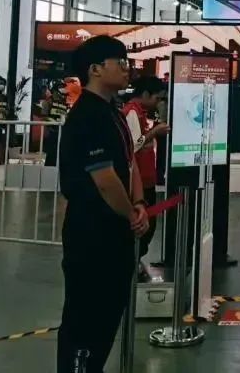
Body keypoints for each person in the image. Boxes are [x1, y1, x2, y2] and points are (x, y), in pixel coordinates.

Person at [57, 36, 149, 373]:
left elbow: (129, 161)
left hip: (115, 232)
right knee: (86, 322)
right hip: (91, 232)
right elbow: (105, 179)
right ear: (95, 69)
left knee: (107, 317)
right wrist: (131, 213)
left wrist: (139, 201)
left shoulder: (113, 112)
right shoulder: (87, 116)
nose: (127, 70)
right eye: (120, 63)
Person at [122, 76, 170, 275]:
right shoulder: (132, 112)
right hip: (139, 181)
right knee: (144, 225)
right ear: (145, 94)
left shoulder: (139, 112)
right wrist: (155, 132)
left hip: (146, 178)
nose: (158, 103)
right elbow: (134, 145)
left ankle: (135, 260)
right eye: (157, 98)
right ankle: (131, 262)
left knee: (149, 224)